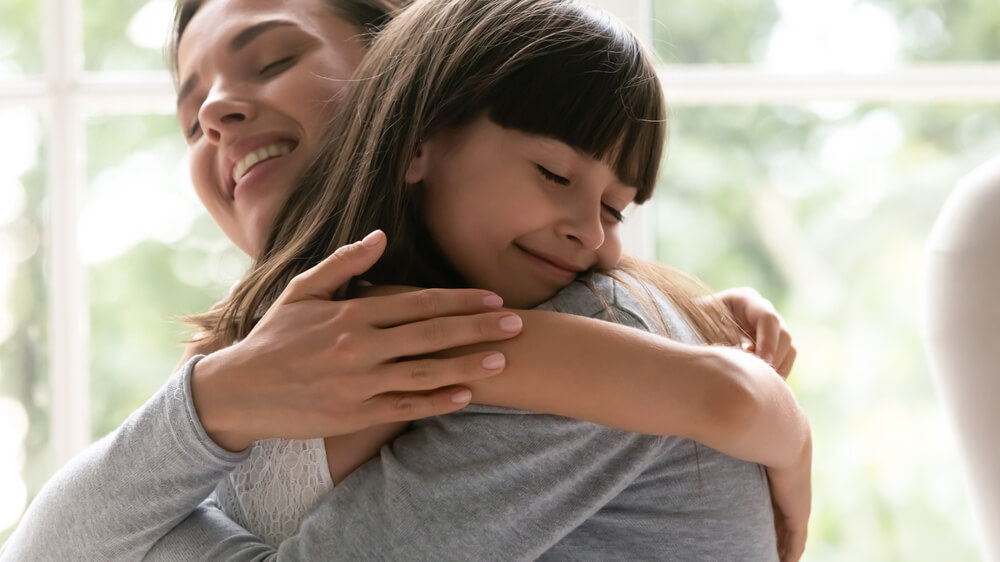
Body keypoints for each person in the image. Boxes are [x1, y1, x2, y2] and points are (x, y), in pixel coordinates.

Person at [0, 0, 810, 560]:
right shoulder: (278, 364)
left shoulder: (579, 335)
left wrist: (769, 410)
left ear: (406, 75)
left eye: (273, 58)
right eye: (189, 117)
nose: (214, 113)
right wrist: (216, 399)